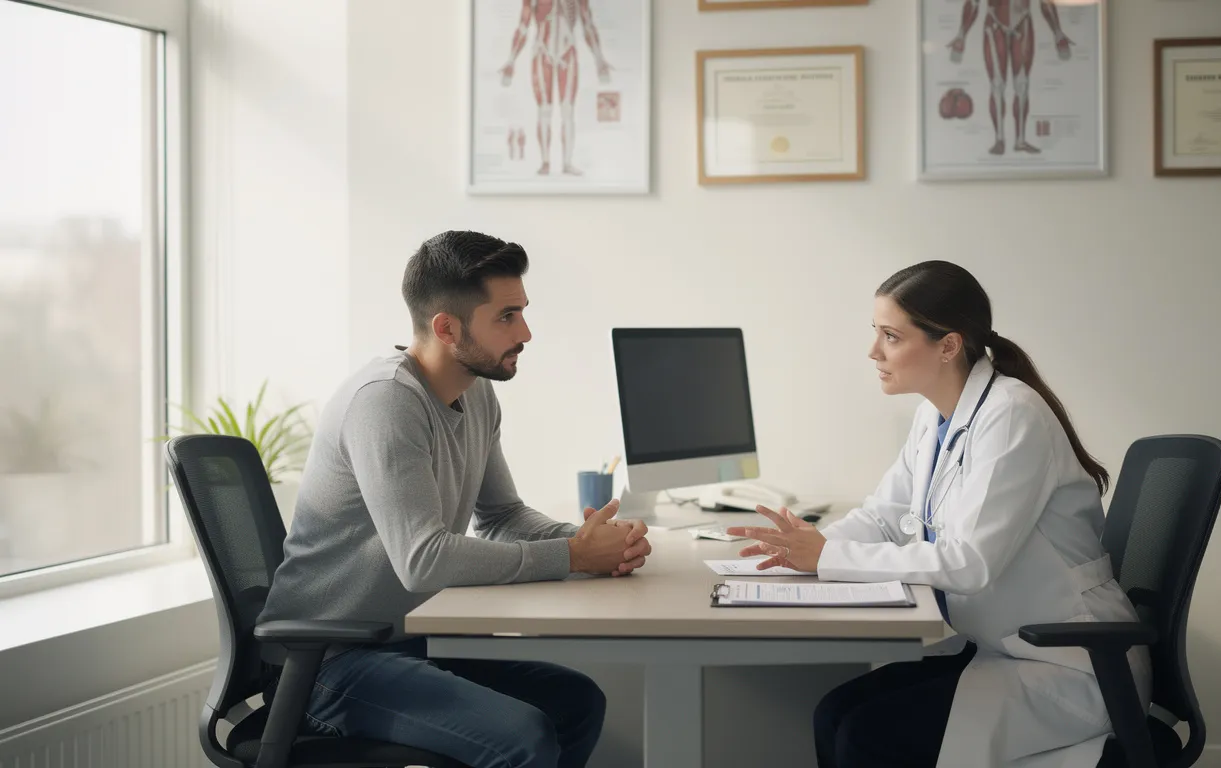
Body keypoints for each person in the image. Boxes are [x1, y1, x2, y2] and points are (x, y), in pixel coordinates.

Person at [727, 261, 1151, 768]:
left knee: (865, 736)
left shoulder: (1012, 414)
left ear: (948, 346)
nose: (873, 351)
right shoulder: (935, 415)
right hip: (1005, 648)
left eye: (891, 336)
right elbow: (884, 516)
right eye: (876, 332)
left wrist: (826, 558)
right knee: (833, 715)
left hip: (1071, 664)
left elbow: (969, 563)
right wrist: (803, 550)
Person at [257, 230, 652, 768]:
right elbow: (423, 560)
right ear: (447, 328)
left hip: (405, 645)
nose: (526, 333)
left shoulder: (476, 390)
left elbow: (502, 516)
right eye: (507, 317)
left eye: (522, 313)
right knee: (523, 737)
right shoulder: (385, 402)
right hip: (326, 664)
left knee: (575, 703)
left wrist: (593, 543)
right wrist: (574, 555)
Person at [947, 0, 1075, 156]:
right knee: (997, 85)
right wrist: (962, 35)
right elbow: (973, 2)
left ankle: (1020, 141)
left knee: (1022, 85)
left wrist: (1058, 33)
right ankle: (999, 140)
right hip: (995, 23)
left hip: (1023, 21)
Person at [501, 0, 613, 176]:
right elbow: (523, 25)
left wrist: (599, 59)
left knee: (568, 111)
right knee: (544, 110)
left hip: (568, 51)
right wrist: (511, 60)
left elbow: (587, 24)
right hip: (542, 51)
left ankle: (567, 163)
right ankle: (545, 162)